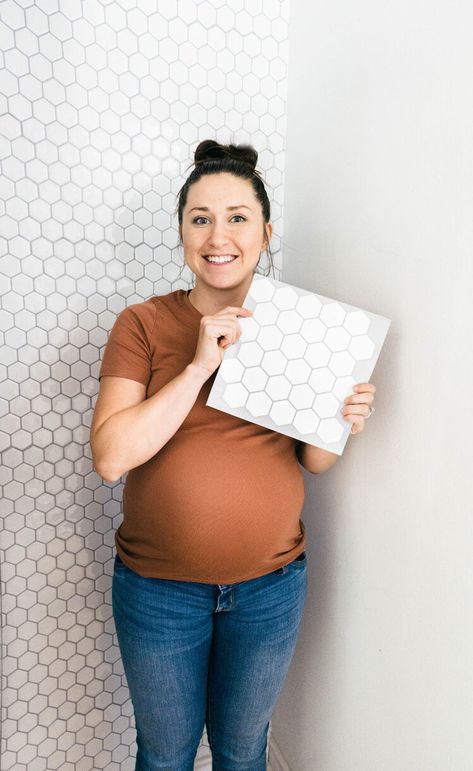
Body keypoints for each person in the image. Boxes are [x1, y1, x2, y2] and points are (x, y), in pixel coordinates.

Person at [90, 139, 376, 771]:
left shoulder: (305, 332)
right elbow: (111, 457)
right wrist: (198, 366)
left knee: (243, 753)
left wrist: (342, 422)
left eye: (238, 216)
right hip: (160, 593)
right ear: (183, 232)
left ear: (266, 232)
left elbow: (315, 463)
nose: (219, 234)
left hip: (271, 590)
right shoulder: (141, 324)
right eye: (201, 217)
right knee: (164, 757)